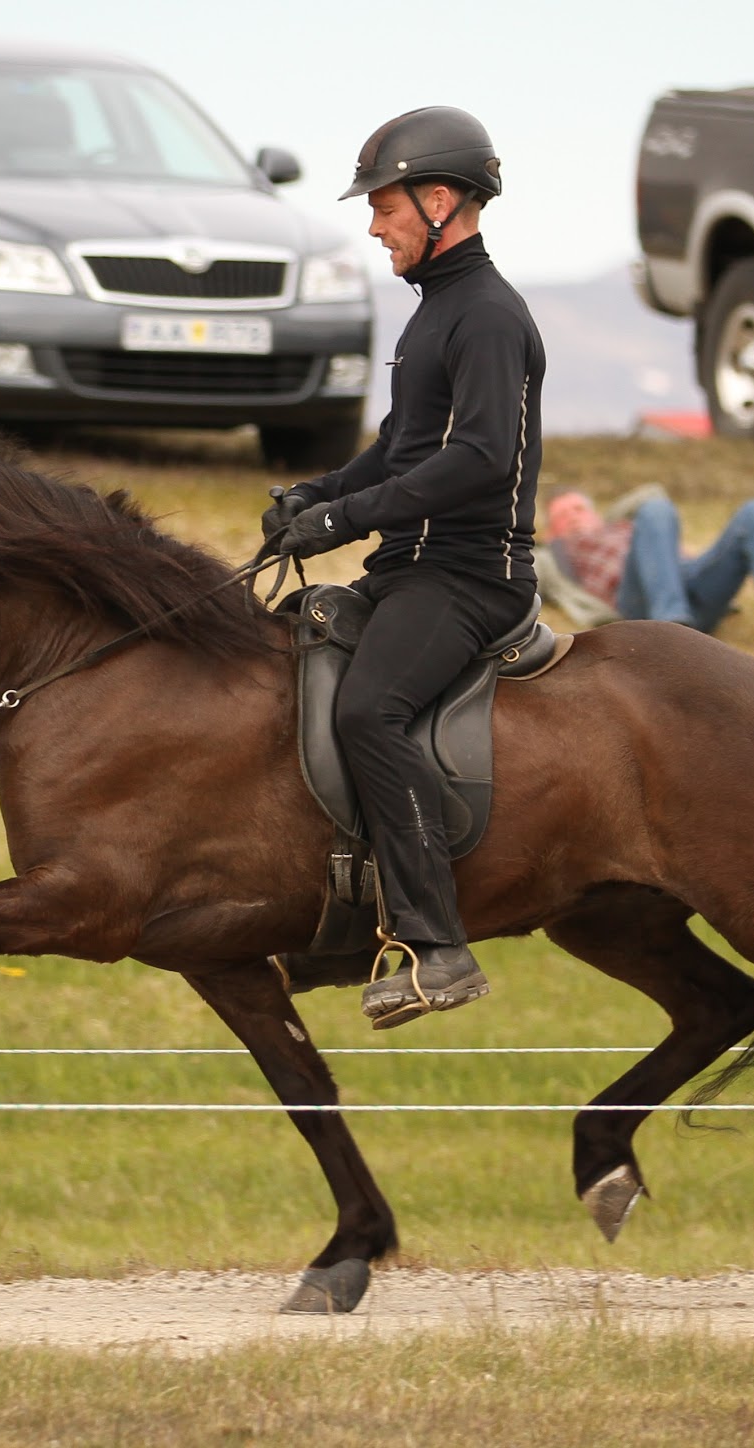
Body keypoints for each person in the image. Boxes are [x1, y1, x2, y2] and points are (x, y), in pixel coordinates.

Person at [262, 106, 544, 1029]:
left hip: (469, 577)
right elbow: (402, 448)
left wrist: (344, 518)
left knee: (369, 710)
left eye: (382, 207)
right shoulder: (437, 315)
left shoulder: (491, 316)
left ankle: (437, 944)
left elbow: (479, 460)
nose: (373, 225)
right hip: (408, 569)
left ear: (437, 200)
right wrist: (315, 494)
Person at [536, 485, 754, 680]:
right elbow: (522, 574)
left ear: (597, 514)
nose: (573, 518)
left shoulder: (625, 524)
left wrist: (611, 518)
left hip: (689, 582)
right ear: (551, 531)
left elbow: (652, 492)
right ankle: (677, 642)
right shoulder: (554, 553)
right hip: (637, 598)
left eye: (579, 509)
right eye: (562, 515)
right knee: (654, 511)